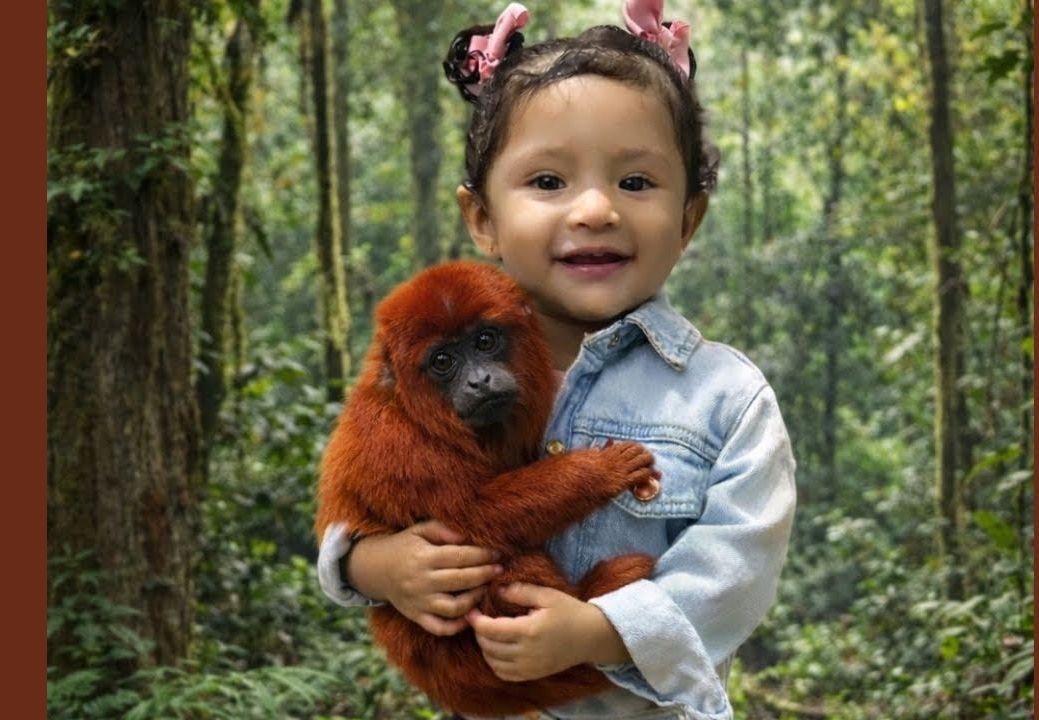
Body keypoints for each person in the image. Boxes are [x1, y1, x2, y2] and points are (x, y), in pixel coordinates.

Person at [317, 1, 796, 717]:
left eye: (636, 182)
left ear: (689, 219)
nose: (595, 209)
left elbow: (737, 574)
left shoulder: (725, 399)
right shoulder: (413, 367)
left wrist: (596, 631)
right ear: (482, 218)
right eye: (549, 183)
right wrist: (374, 566)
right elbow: (362, 508)